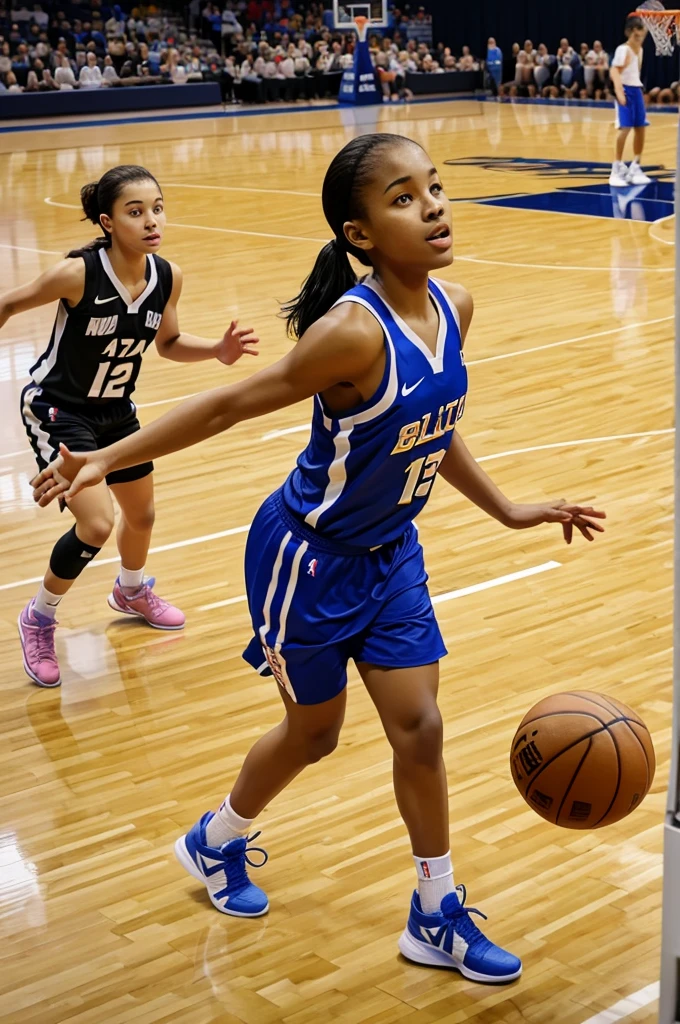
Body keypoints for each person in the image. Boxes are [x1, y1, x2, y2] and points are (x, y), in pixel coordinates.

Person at [32, 134, 605, 982]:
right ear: (360, 233)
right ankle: (213, 839)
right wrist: (100, 459)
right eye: (404, 198)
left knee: (422, 729)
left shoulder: (456, 308)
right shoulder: (350, 334)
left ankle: (434, 912)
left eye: (435, 188)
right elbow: (227, 403)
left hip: (391, 555)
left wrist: (513, 510)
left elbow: (431, 428)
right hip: (308, 559)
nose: (435, 206)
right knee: (316, 735)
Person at [1, 165, 259, 689]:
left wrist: (216, 350)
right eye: (135, 212)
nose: (150, 220)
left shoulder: (168, 276)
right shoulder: (76, 274)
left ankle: (131, 589)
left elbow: (167, 343)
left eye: (157, 208)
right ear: (108, 221)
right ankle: (40, 617)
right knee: (96, 525)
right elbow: (7, 304)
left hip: (117, 412)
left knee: (141, 516)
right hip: (59, 408)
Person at [609, 16, 651, 186]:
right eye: (638, 34)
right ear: (633, 33)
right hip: (625, 90)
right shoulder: (622, 49)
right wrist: (619, 93)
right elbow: (614, 71)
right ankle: (616, 168)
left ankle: (635, 166)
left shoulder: (640, 51)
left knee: (640, 128)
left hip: (636, 90)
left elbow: (636, 73)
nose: (641, 37)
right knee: (624, 129)